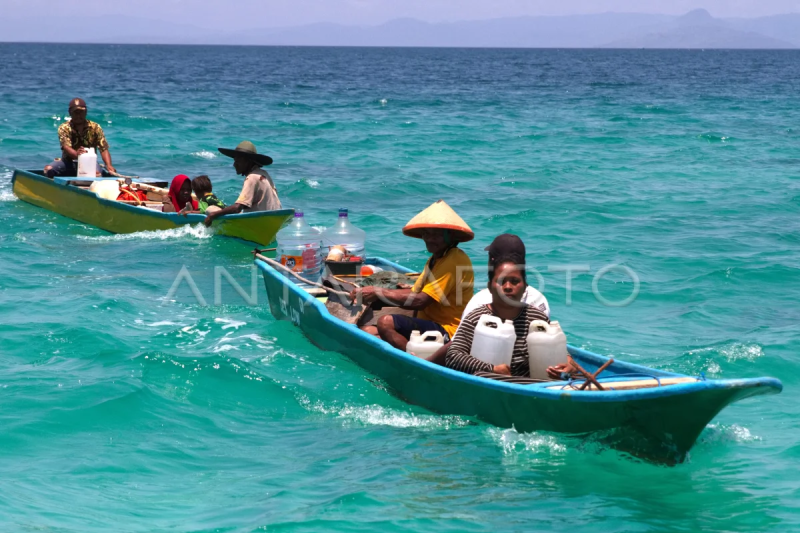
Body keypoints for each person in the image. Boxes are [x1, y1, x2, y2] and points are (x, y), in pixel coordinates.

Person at [350, 200, 474, 351]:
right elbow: (414, 293)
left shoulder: (454, 259)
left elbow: (420, 301)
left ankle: (417, 360)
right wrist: (376, 292)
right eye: (427, 234)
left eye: (436, 235)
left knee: (385, 322)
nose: (429, 239)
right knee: (367, 331)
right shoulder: (435, 259)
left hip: (447, 331)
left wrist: (378, 292)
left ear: (451, 237)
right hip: (428, 325)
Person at [425, 233, 550, 366]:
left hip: (483, 371)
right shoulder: (541, 301)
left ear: (492, 261)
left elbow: (454, 349)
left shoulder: (481, 301)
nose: (508, 287)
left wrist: (426, 363)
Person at [445, 253, 571, 378]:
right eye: (501, 281)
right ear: (489, 287)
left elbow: (562, 353)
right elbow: (452, 357)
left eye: (515, 281)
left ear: (525, 287)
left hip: (531, 389)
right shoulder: (477, 318)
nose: (508, 287)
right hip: (487, 387)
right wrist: (492, 369)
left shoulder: (536, 319)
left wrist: (569, 366)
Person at [203, 141, 280, 227]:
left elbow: (237, 208)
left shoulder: (251, 177)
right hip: (273, 222)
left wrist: (212, 215)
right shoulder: (264, 174)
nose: (234, 164)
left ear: (248, 161)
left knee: (210, 209)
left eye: (238, 161)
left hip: (257, 223)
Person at [44, 98, 115, 178]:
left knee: (98, 174)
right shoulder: (64, 127)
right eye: (75, 112)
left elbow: (103, 148)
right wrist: (77, 154)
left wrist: (109, 165)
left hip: (89, 163)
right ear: (70, 113)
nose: (78, 115)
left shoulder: (95, 127)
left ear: (86, 112)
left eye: (81, 112)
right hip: (69, 163)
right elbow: (66, 147)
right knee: (49, 169)